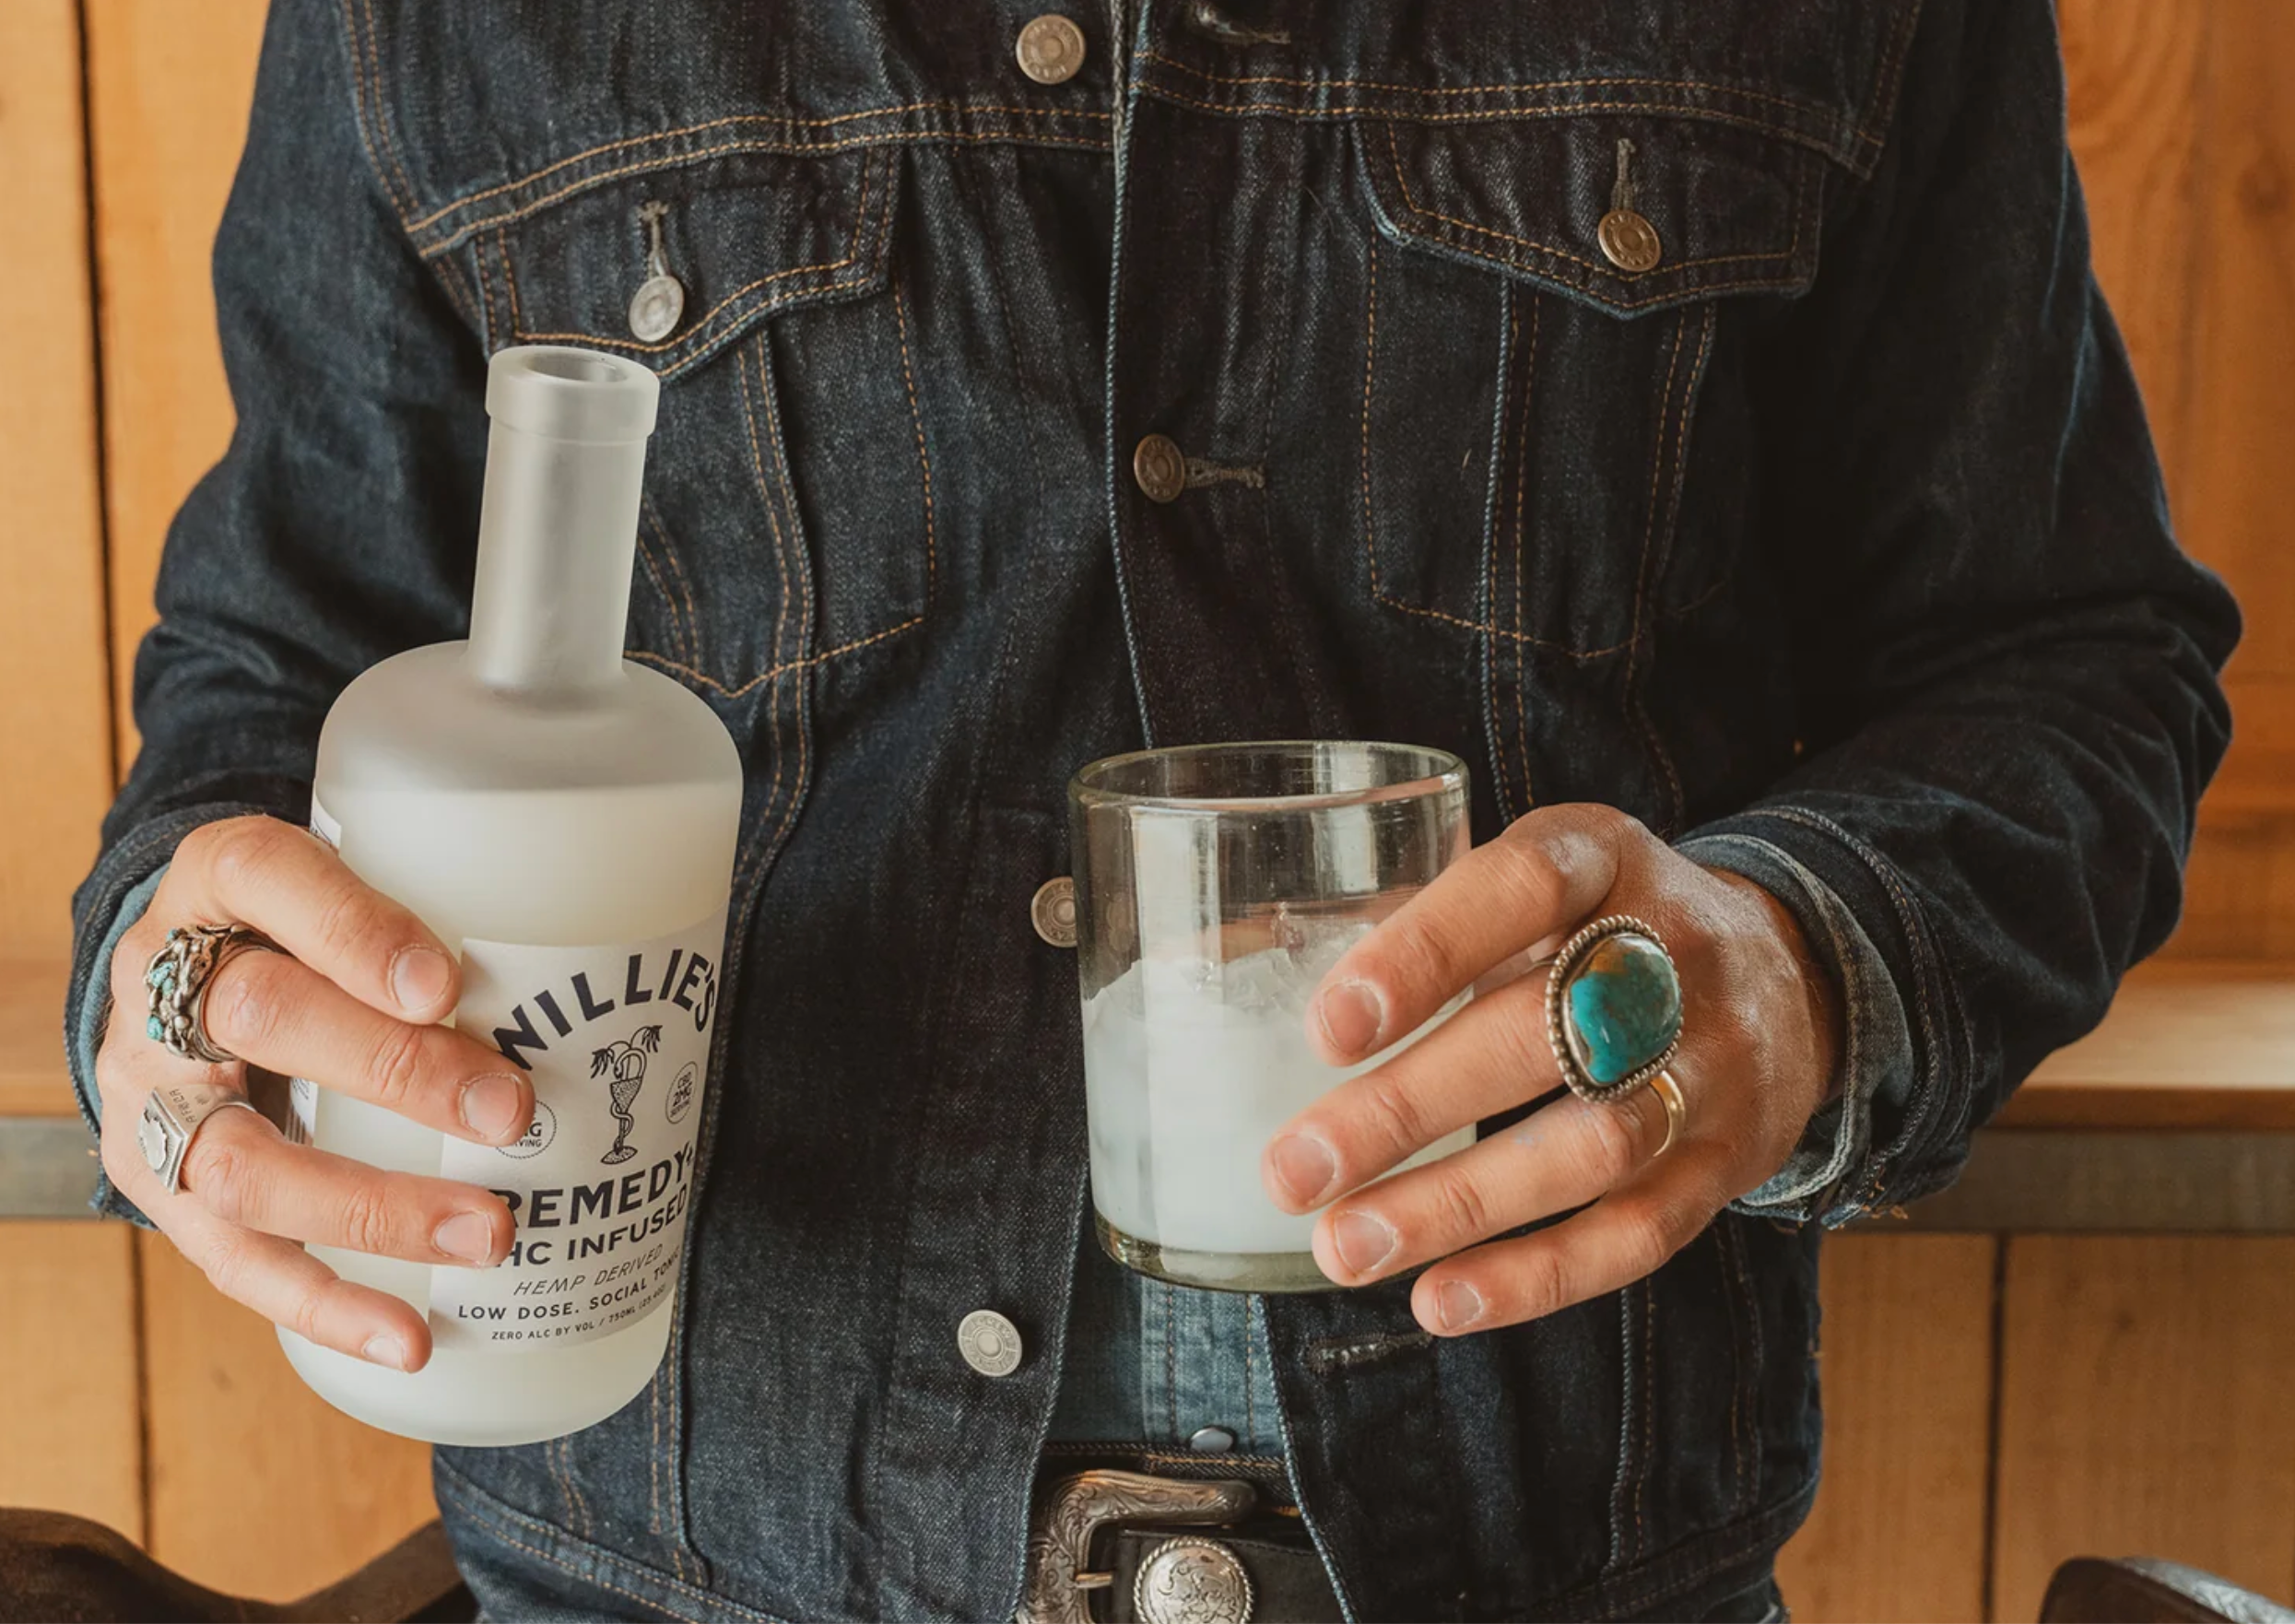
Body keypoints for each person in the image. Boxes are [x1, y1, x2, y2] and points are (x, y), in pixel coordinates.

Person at [66, 0, 2236, 1618]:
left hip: (1565, 1560)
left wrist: (1798, 961)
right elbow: (272, 680)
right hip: (672, 1565)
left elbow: (2072, 668)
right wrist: (176, 994)